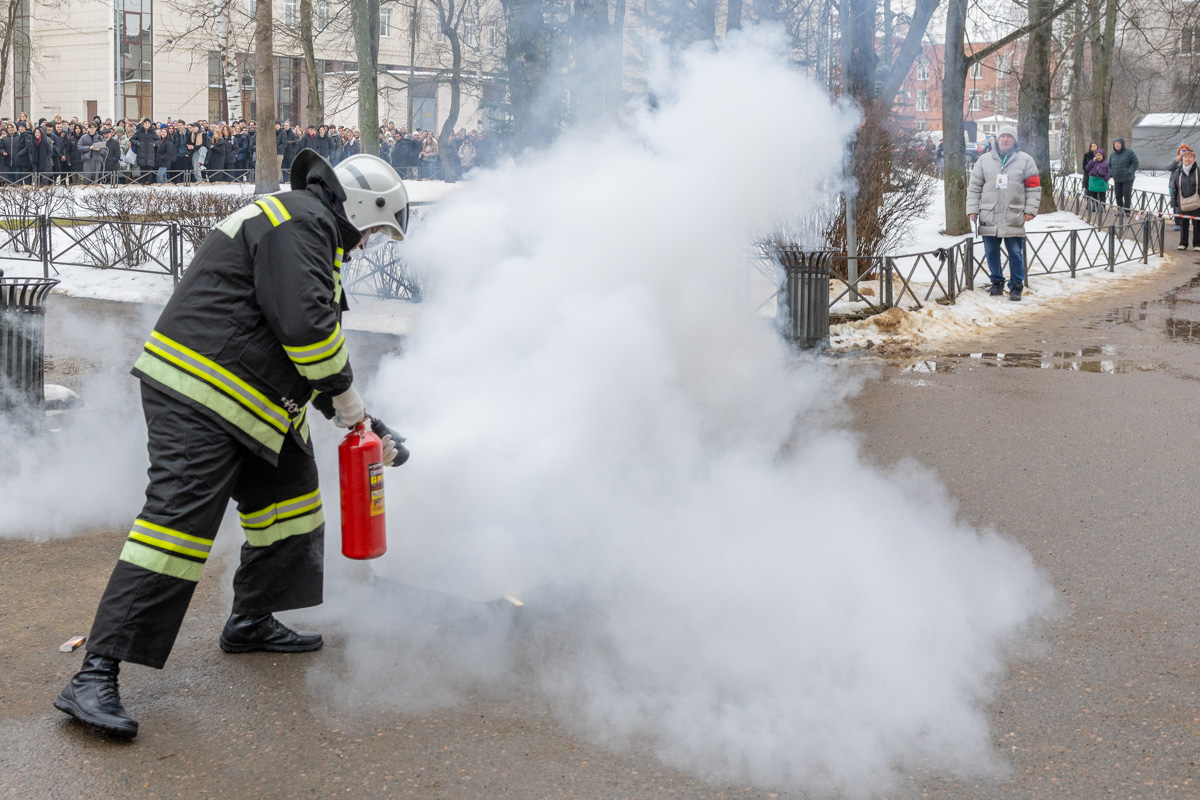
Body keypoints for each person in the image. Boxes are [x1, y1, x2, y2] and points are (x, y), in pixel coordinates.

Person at [53, 152, 412, 740]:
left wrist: (365, 420)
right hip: (202, 392)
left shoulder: (309, 229)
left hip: (252, 396)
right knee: (175, 531)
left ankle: (250, 620)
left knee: (292, 509)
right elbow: (308, 330)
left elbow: (300, 352)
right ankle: (94, 674)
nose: (372, 244)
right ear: (360, 206)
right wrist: (350, 406)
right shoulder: (302, 222)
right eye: (376, 230)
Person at [966, 124, 1041, 302]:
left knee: (1015, 252)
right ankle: (996, 281)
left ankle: (1016, 285)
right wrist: (972, 209)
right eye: (1002, 136)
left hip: (1013, 214)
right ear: (997, 139)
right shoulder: (984, 160)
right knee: (991, 251)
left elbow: (1034, 187)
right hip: (989, 214)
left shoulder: (1025, 160)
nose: (1005, 139)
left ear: (1014, 140)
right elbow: (974, 187)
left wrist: (1030, 210)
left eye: (1009, 136)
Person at [1170, 145, 1200, 252]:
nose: (1187, 159)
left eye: (1189, 157)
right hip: (1182, 201)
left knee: (1197, 223)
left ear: (1194, 158)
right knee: (1183, 222)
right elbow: (1174, 187)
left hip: (1196, 202)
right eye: (1185, 157)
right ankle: (1183, 243)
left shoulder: (1198, 171)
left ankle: (1197, 243)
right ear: (1182, 159)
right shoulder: (1178, 171)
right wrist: (1173, 201)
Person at [1109, 138, 1138, 213]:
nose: (1117, 145)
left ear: (1122, 144)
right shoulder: (1112, 155)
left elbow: (1135, 162)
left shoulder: (1129, 152)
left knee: (1126, 193)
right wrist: (1111, 172)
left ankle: (1127, 211)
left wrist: (1130, 171)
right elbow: (1109, 165)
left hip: (1127, 178)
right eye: (1115, 144)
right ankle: (1120, 209)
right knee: (1118, 194)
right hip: (1117, 178)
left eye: (1118, 143)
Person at [1083, 148, 1110, 213]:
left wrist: (1106, 177)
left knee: (1102, 196)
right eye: (1097, 155)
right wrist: (1092, 161)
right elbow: (1087, 168)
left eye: (1100, 155)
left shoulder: (1106, 163)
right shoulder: (1093, 162)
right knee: (1093, 195)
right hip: (1093, 180)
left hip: (1102, 180)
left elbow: (1109, 171)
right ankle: (1095, 206)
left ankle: (1102, 208)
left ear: (1103, 156)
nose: (1099, 157)